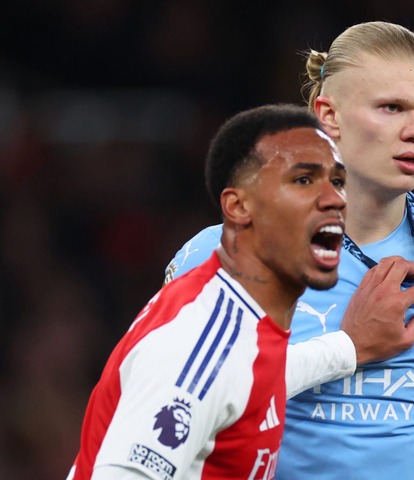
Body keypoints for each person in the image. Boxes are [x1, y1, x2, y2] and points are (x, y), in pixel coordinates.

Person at [164, 21, 414, 479]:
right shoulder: (221, 258)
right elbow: (168, 427)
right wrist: (344, 348)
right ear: (328, 115)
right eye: (392, 108)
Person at [68, 103, 354, 479]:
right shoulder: (198, 342)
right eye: (303, 180)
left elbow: (244, 379)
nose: (335, 198)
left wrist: (349, 348)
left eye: (337, 181)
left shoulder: (236, 319)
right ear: (238, 207)